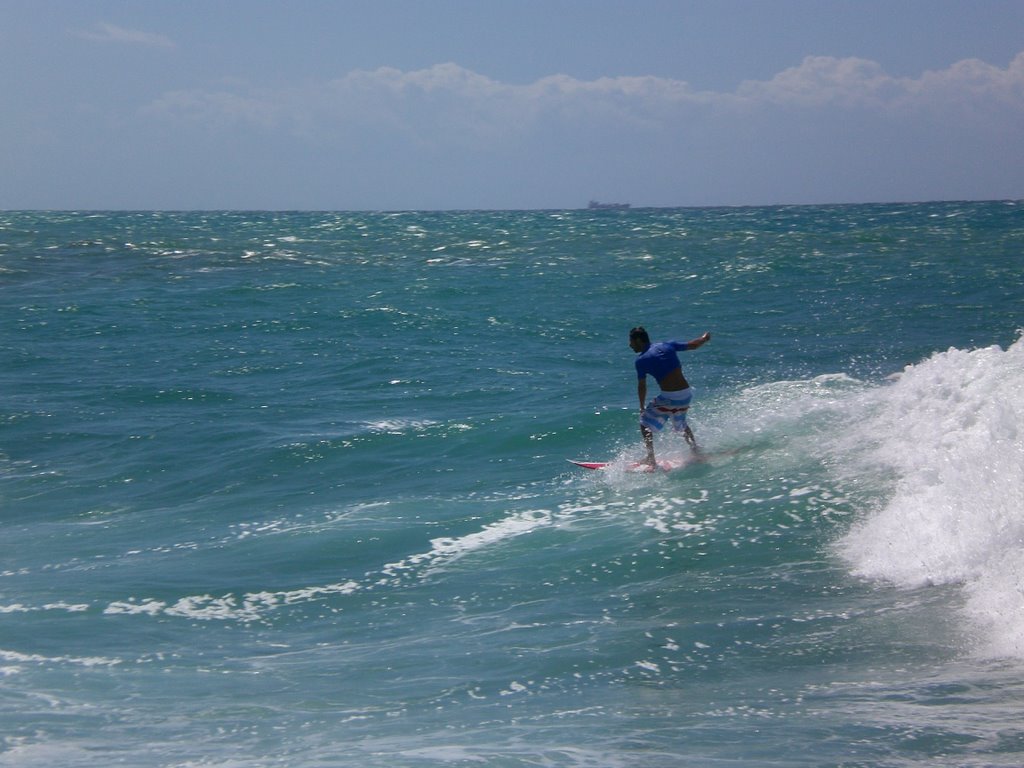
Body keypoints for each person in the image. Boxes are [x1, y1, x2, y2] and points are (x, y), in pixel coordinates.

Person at [629, 326, 711, 467]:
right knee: (681, 423)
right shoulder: (667, 345)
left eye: (631, 341)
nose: (630, 345)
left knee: (644, 423)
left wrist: (641, 406)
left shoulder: (640, 360)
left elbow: (642, 386)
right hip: (686, 394)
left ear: (638, 340)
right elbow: (694, 345)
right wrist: (704, 338)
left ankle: (651, 459)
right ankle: (696, 450)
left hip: (670, 398)